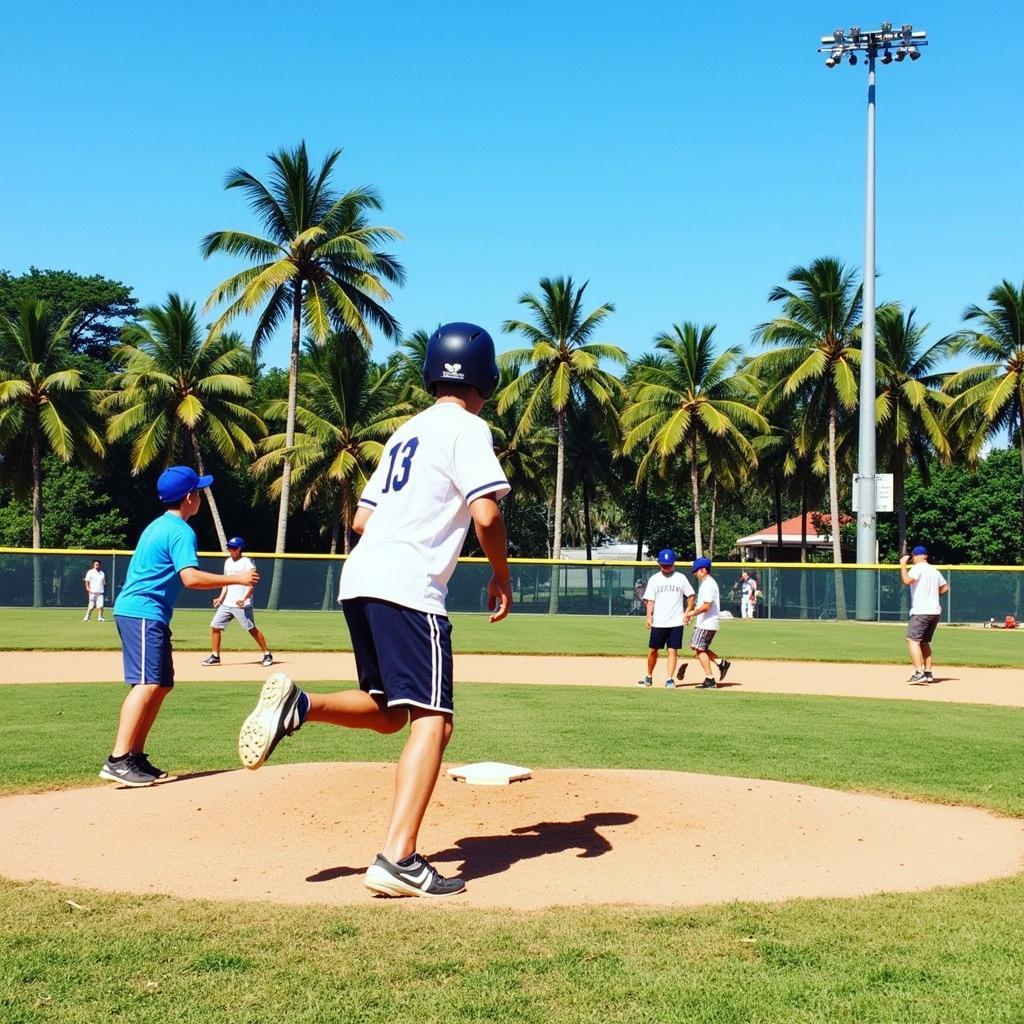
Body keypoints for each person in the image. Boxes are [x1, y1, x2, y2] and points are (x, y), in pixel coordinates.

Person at [237, 322, 512, 899]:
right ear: (487, 377)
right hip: (410, 586)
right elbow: (485, 514)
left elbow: (362, 520)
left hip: (360, 576)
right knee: (434, 720)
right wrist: (500, 576)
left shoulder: (404, 433)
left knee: (390, 711)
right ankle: (399, 857)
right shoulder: (468, 428)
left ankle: (300, 705)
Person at [99, 466, 259, 788]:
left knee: (160, 684)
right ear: (189, 497)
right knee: (147, 684)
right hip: (142, 612)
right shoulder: (181, 531)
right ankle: (118, 759)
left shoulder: (160, 526)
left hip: (149, 613)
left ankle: (135, 757)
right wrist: (236, 578)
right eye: (198, 491)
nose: (199, 495)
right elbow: (190, 578)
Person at [201, 536, 273, 668]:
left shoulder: (247, 563)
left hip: (241, 604)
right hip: (227, 603)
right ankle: (215, 656)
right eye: (229, 547)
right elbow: (226, 582)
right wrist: (220, 598)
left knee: (251, 629)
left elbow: (252, 584)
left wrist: (245, 599)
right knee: (215, 626)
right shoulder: (228, 562)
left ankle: (267, 654)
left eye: (233, 547)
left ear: (240, 549)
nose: (230, 549)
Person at [636, 548, 694, 688]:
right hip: (659, 621)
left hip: (676, 621)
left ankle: (669, 679)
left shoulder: (681, 578)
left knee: (673, 650)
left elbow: (691, 595)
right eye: (664, 564)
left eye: (669, 564)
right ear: (659, 564)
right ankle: (649, 676)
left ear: (674, 563)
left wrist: (687, 612)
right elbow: (650, 600)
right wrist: (649, 617)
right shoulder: (654, 579)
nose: (666, 567)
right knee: (653, 650)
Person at [900, 545, 948, 683]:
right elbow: (945, 588)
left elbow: (906, 581)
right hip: (934, 611)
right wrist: (933, 594)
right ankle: (928, 673)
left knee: (912, 640)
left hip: (921, 611)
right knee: (924, 642)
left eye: (913, 557)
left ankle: (919, 672)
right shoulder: (934, 570)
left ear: (917, 556)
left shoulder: (917, 568)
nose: (913, 559)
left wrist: (903, 565)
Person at [683, 557, 732, 689]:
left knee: (699, 649)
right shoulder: (706, 583)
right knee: (698, 647)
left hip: (707, 623)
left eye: (696, 570)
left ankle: (710, 679)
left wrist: (690, 613)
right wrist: (693, 616)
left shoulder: (709, 584)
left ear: (703, 570)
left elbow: (706, 606)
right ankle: (721, 663)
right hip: (705, 622)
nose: (695, 573)